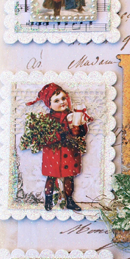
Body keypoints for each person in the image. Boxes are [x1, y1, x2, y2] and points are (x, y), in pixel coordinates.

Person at [23, 83, 90, 211]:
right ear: (49, 104)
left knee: (69, 177)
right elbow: (44, 137)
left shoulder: (73, 115)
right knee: (51, 177)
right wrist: (60, 135)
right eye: (56, 100)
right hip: (53, 154)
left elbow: (82, 132)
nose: (62, 102)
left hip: (70, 152)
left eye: (63, 98)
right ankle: (48, 200)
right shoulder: (47, 119)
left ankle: (69, 200)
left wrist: (80, 127)